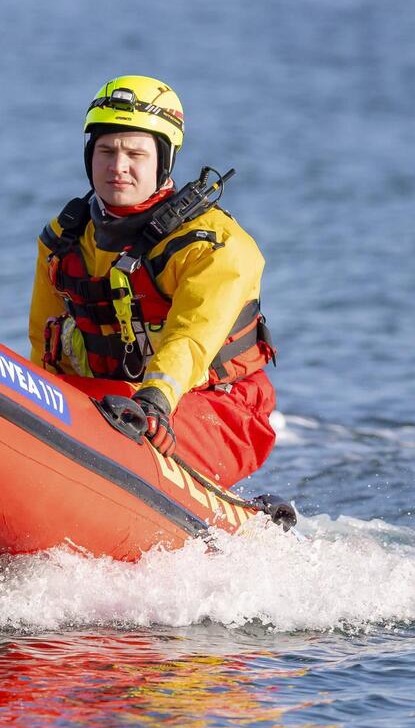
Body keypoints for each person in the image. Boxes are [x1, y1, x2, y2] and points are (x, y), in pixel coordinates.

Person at [28, 76, 277, 488]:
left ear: (164, 161)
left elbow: (191, 339)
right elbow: (43, 345)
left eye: (135, 153)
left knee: (120, 433)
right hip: (106, 396)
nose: (118, 166)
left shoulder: (214, 247)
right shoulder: (64, 238)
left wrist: (154, 401)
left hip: (217, 408)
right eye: (106, 151)